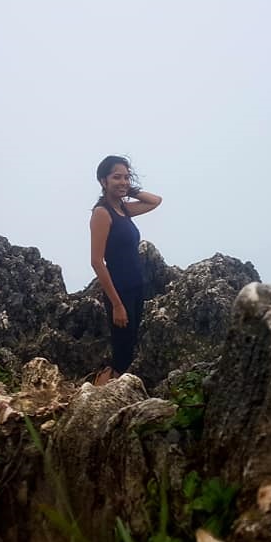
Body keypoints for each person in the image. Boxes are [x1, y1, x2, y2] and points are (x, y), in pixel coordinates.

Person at [90, 156, 162, 385]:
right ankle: (99, 396)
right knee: (121, 352)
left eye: (126, 176)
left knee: (129, 346)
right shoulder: (102, 213)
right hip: (119, 291)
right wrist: (117, 304)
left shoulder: (123, 209)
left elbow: (155, 201)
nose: (122, 181)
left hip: (136, 287)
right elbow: (97, 261)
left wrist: (128, 188)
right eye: (116, 177)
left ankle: (116, 395)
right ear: (103, 181)